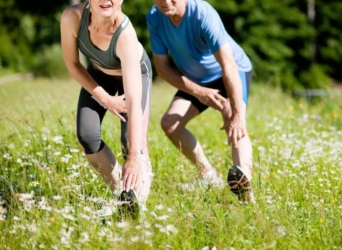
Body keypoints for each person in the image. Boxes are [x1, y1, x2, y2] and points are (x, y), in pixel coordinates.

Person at [146, 0, 254, 202]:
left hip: (231, 70)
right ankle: (209, 177)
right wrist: (198, 91)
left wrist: (238, 115)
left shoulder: (202, 13)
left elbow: (228, 65)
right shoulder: (154, 17)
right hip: (197, 81)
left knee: (233, 119)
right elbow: (162, 69)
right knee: (170, 124)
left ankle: (245, 188)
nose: (165, 2)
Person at [60, 0, 153, 214]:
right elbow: (73, 64)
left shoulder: (125, 37)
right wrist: (105, 98)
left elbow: (132, 97)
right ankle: (123, 193)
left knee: (133, 143)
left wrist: (133, 156)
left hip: (134, 77)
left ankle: (137, 206)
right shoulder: (71, 18)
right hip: (99, 75)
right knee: (87, 136)